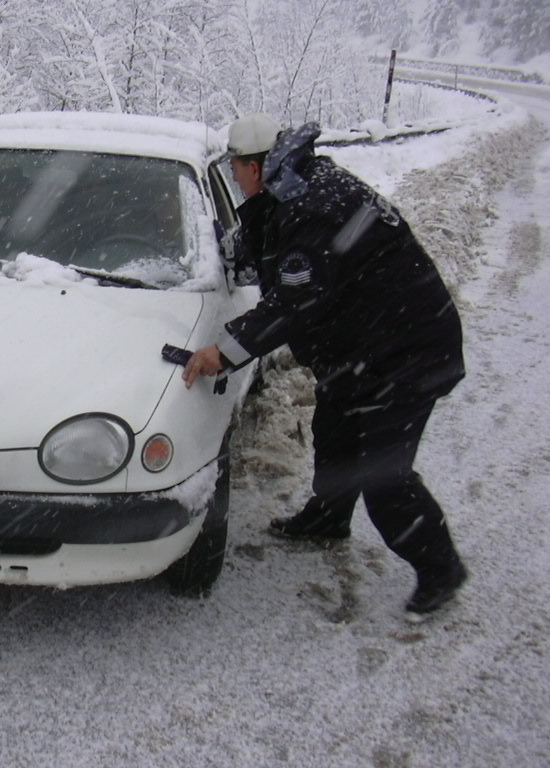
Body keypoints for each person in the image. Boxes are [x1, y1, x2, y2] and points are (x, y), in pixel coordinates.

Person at [184, 113, 468, 617]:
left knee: (384, 474)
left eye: (235, 168)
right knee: (335, 429)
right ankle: (329, 517)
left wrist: (223, 351)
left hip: (407, 353)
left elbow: (295, 301)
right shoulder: (295, 189)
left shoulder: (314, 208)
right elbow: (269, 251)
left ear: (256, 167)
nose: (232, 177)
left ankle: (441, 568)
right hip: (362, 348)